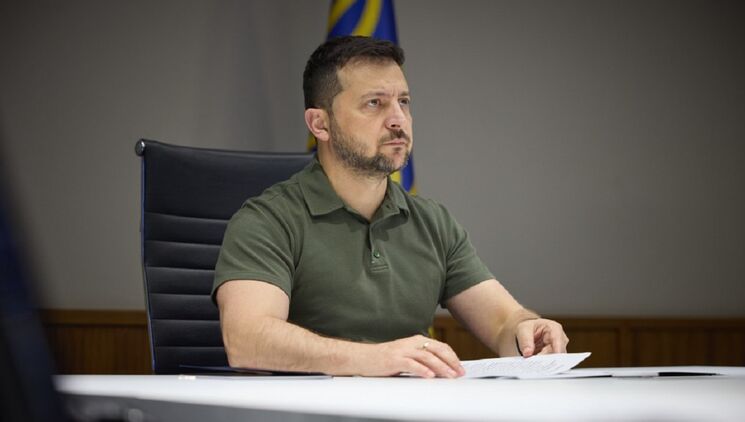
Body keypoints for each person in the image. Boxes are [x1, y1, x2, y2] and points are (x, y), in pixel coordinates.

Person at [212, 36, 568, 379]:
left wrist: (527, 330)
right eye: (374, 103)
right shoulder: (267, 220)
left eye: (404, 102)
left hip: (410, 407)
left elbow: (503, 323)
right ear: (320, 124)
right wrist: (375, 358)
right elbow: (246, 340)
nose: (398, 119)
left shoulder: (433, 222)